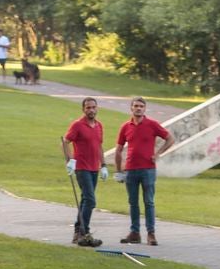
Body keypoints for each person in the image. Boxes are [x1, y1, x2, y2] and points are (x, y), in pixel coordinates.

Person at [114, 96, 175, 245]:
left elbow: (170, 138)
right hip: (130, 170)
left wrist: (158, 153)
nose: (138, 108)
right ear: (131, 108)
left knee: (149, 202)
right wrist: (118, 171)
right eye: (136, 106)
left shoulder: (152, 124)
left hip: (148, 169)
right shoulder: (125, 127)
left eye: (141, 106)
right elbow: (119, 150)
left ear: (145, 108)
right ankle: (135, 232)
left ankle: (151, 233)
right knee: (133, 202)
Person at [62, 97, 108, 247]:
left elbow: (99, 146)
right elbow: (65, 142)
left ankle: (78, 232)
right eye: (88, 108)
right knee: (90, 200)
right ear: (83, 109)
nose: (91, 110)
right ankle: (84, 233)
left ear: (97, 108)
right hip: (82, 168)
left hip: (94, 167)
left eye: (93, 107)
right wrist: (70, 160)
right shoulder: (77, 125)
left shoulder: (99, 126)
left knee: (84, 201)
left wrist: (104, 165)